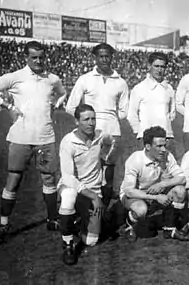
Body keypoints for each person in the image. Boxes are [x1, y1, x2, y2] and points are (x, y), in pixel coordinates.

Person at [0, 41, 67, 245]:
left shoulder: (52, 79)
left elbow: (62, 93)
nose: (38, 61)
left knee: (49, 179)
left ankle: (52, 219)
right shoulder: (16, 77)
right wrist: (6, 104)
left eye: (41, 57)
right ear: (26, 58)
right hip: (21, 138)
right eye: (33, 57)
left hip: (45, 138)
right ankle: (4, 224)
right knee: (14, 180)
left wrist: (55, 104)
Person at [65, 43, 129, 201]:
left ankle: (105, 213)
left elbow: (123, 112)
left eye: (107, 56)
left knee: (108, 176)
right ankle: (86, 209)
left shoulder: (120, 82)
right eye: (101, 56)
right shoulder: (85, 79)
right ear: (95, 58)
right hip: (90, 133)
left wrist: (109, 118)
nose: (104, 59)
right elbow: (70, 107)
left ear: (112, 57)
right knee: (88, 173)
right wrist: (87, 122)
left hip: (113, 132)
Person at [58, 104, 115, 265]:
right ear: (77, 121)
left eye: (93, 118)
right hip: (73, 187)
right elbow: (67, 176)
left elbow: (112, 143)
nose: (91, 123)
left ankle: (74, 223)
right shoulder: (68, 142)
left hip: (94, 189)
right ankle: (68, 243)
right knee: (68, 197)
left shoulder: (101, 136)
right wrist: (94, 196)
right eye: (86, 119)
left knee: (91, 241)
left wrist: (106, 160)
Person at [119, 126, 189, 241]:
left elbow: (181, 178)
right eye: (159, 146)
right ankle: (129, 222)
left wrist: (161, 185)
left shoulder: (167, 156)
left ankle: (169, 229)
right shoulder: (135, 160)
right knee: (141, 211)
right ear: (147, 146)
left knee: (180, 191)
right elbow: (129, 191)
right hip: (135, 195)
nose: (163, 150)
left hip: (156, 191)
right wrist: (155, 197)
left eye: (164, 145)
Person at [127, 52, 175, 153]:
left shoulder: (169, 89)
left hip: (166, 137)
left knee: (165, 167)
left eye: (162, 67)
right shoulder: (139, 88)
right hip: (146, 138)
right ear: (149, 66)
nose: (159, 70)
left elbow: (172, 113)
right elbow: (132, 115)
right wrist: (140, 133)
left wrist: (168, 132)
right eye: (156, 66)